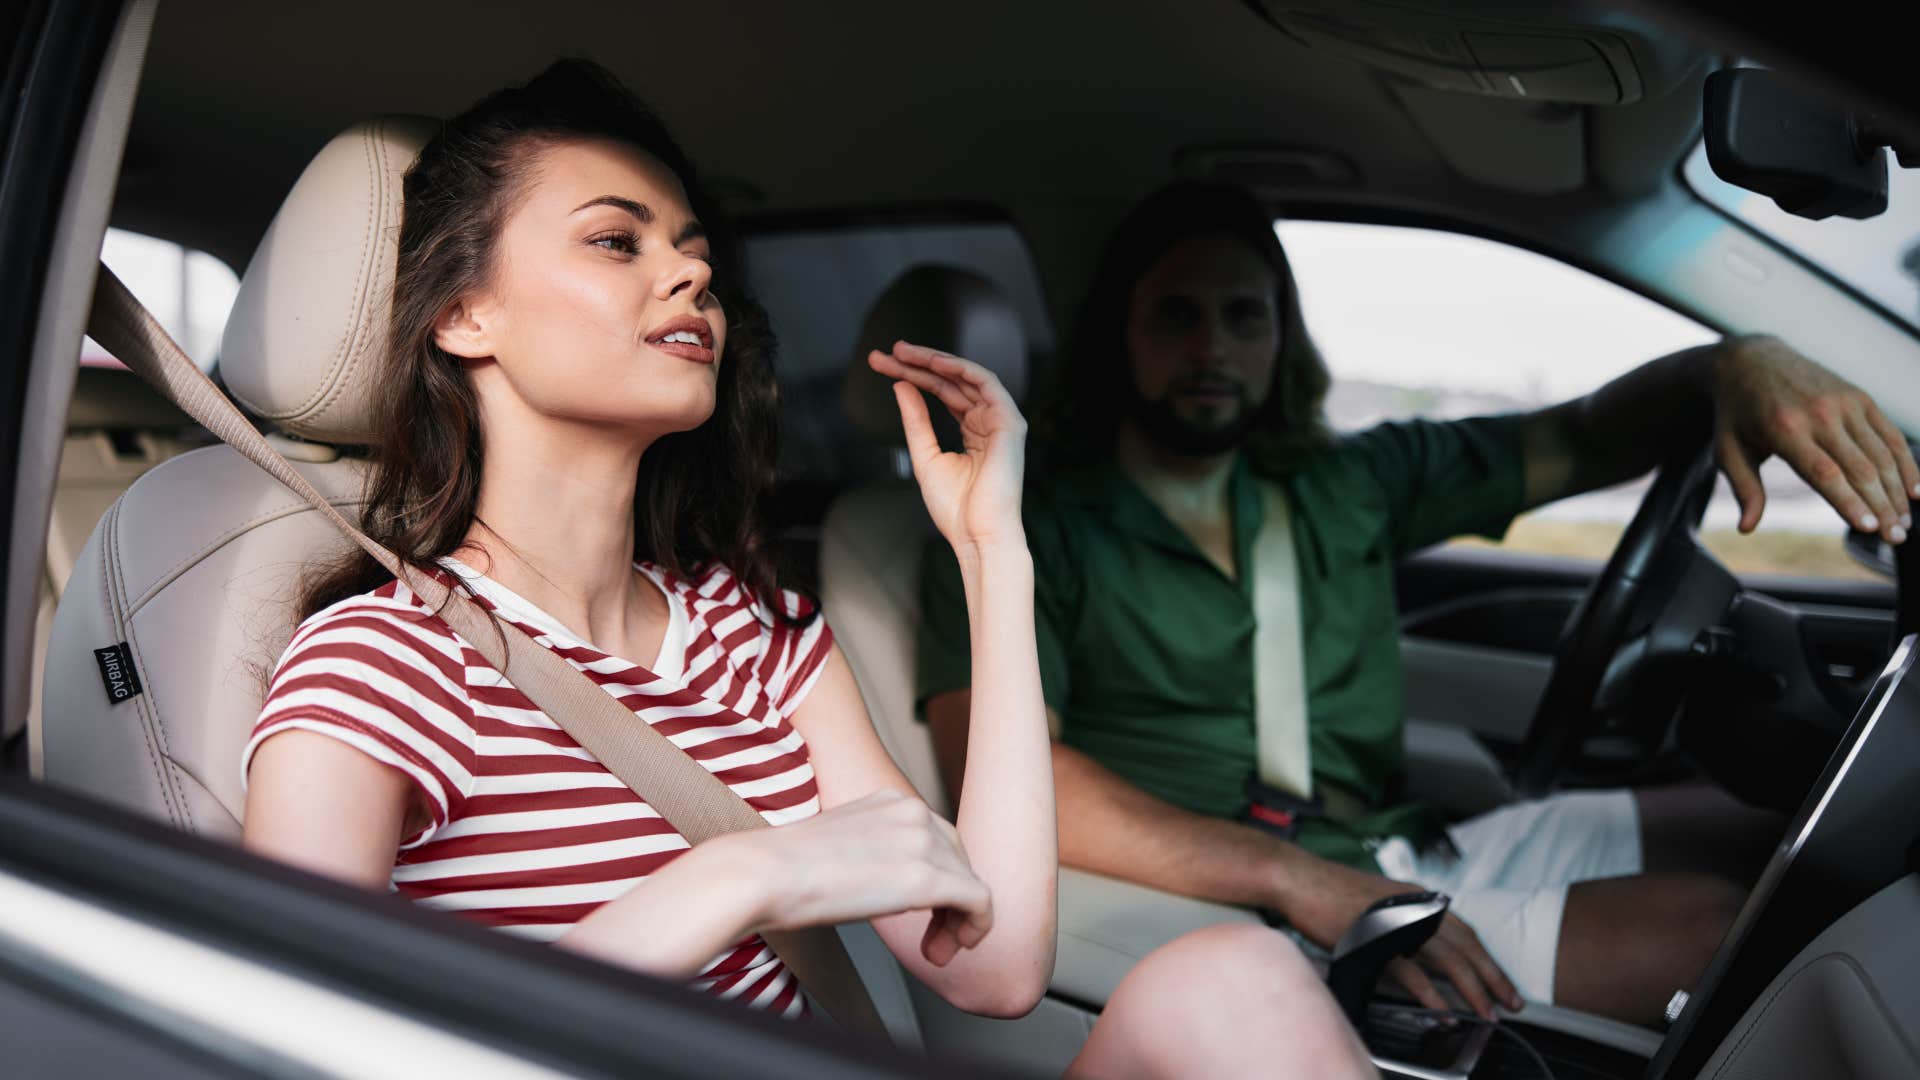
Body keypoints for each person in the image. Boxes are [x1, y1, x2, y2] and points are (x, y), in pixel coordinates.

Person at [239, 64, 1374, 1078]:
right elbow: (302, 1039)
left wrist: (994, 555)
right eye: (615, 241)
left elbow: (994, 967)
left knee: (1241, 978)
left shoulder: (757, 636)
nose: (689, 281)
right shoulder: (381, 665)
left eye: (697, 256)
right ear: (461, 312)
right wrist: (740, 881)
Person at [917, 182, 1920, 1028]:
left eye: (1245, 315)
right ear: (1118, 337)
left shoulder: (1354, 480)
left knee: (1782, 838)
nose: (1212, 348)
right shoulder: (1021, 528)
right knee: (1712, 934)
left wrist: (1735, 364)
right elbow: (1011, 780)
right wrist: (1297, 882)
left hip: (1395, 846)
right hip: (1241, 900)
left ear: (1281, 335)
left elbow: (1586, 434)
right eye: (1176, 314)